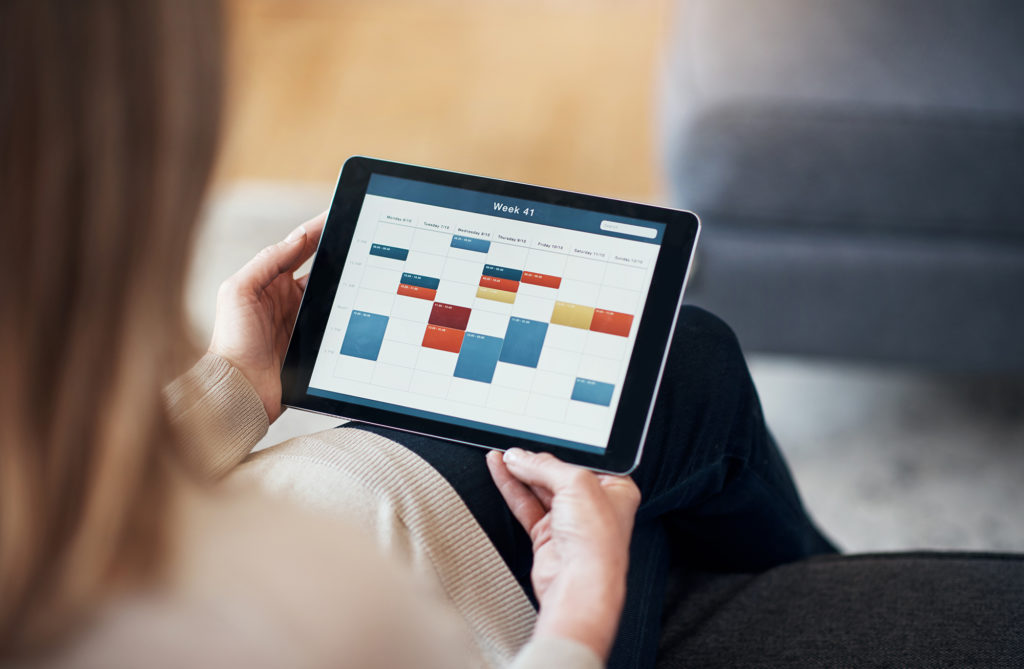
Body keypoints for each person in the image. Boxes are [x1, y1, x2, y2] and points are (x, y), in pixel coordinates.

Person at [0, 1, 833, 667]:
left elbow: (72, 500)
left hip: (341, 492)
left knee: (655, 384)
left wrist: (232, 386)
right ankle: (825, 580)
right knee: (689, 370)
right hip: (453, 587)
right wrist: (583, 610)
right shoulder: (310, 613)